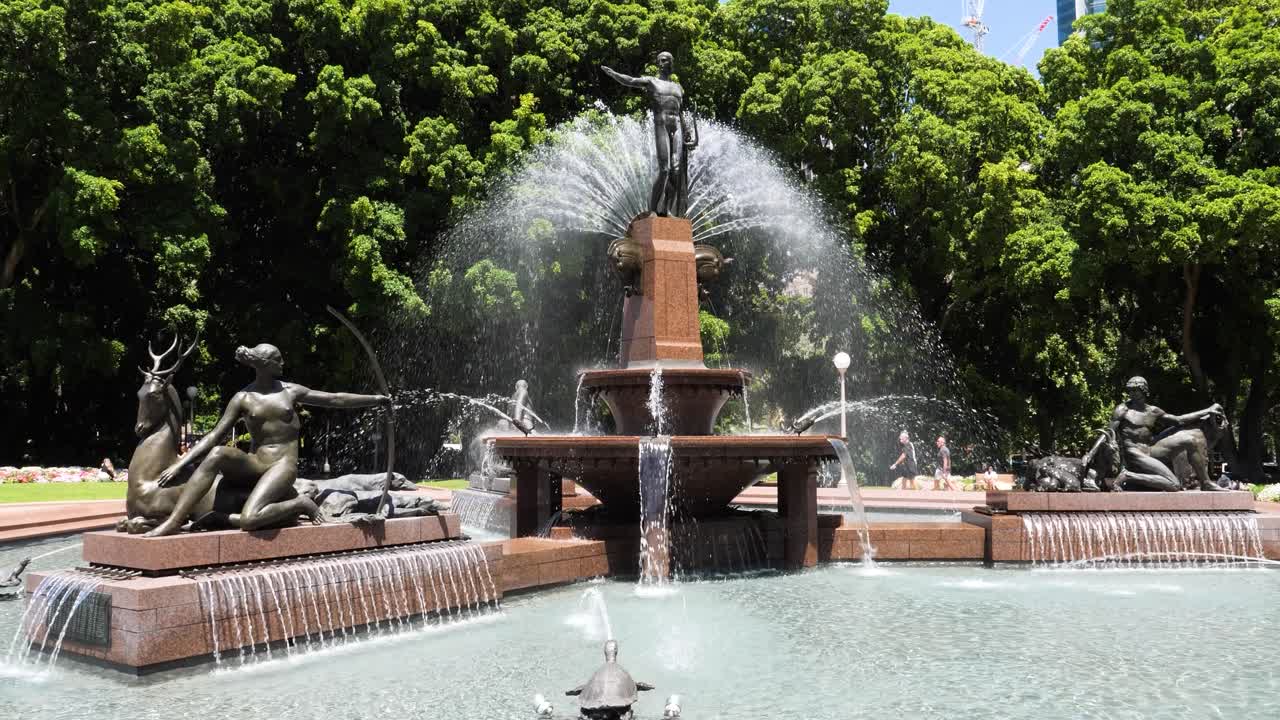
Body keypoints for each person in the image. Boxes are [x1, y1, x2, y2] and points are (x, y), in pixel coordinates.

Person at [143, 343, 390, 537]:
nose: (283, 363)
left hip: (282, 465)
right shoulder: (243, 397)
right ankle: (174, 521)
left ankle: (300, 504)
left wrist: (375, 399)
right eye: (278, 360)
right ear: (265, 364)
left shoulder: (291, 391)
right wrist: (180, 463)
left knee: (250, 520)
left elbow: (336, 399)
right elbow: (215, 435)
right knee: (218, 452)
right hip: (256, 462)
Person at [601, 52, 694, 216]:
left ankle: (666, 210)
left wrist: (686, 131)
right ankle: (652, 210)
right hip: (662, 125)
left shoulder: (678, 88)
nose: (662, 63)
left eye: (665, 60)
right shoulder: (652, 82)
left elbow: (680, 112)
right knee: (665, 169)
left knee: (677, 171)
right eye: (660, 60)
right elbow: (630, 80)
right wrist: (614, 74)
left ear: (672, 63)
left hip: (677, 127)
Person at [1103, 376, 1223, 492]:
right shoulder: (1123, 410)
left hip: (1150, 450)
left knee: (1191, 440)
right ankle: (1128, 475)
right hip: (1133, 453)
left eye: (1135, 390)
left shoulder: (1153, 411)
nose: (1132, 394)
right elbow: (1108, 433)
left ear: (1144, 391)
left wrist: (1207, 410)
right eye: (1130, 390)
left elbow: (1179, 420)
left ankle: (1206, 483)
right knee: (1174, 485)